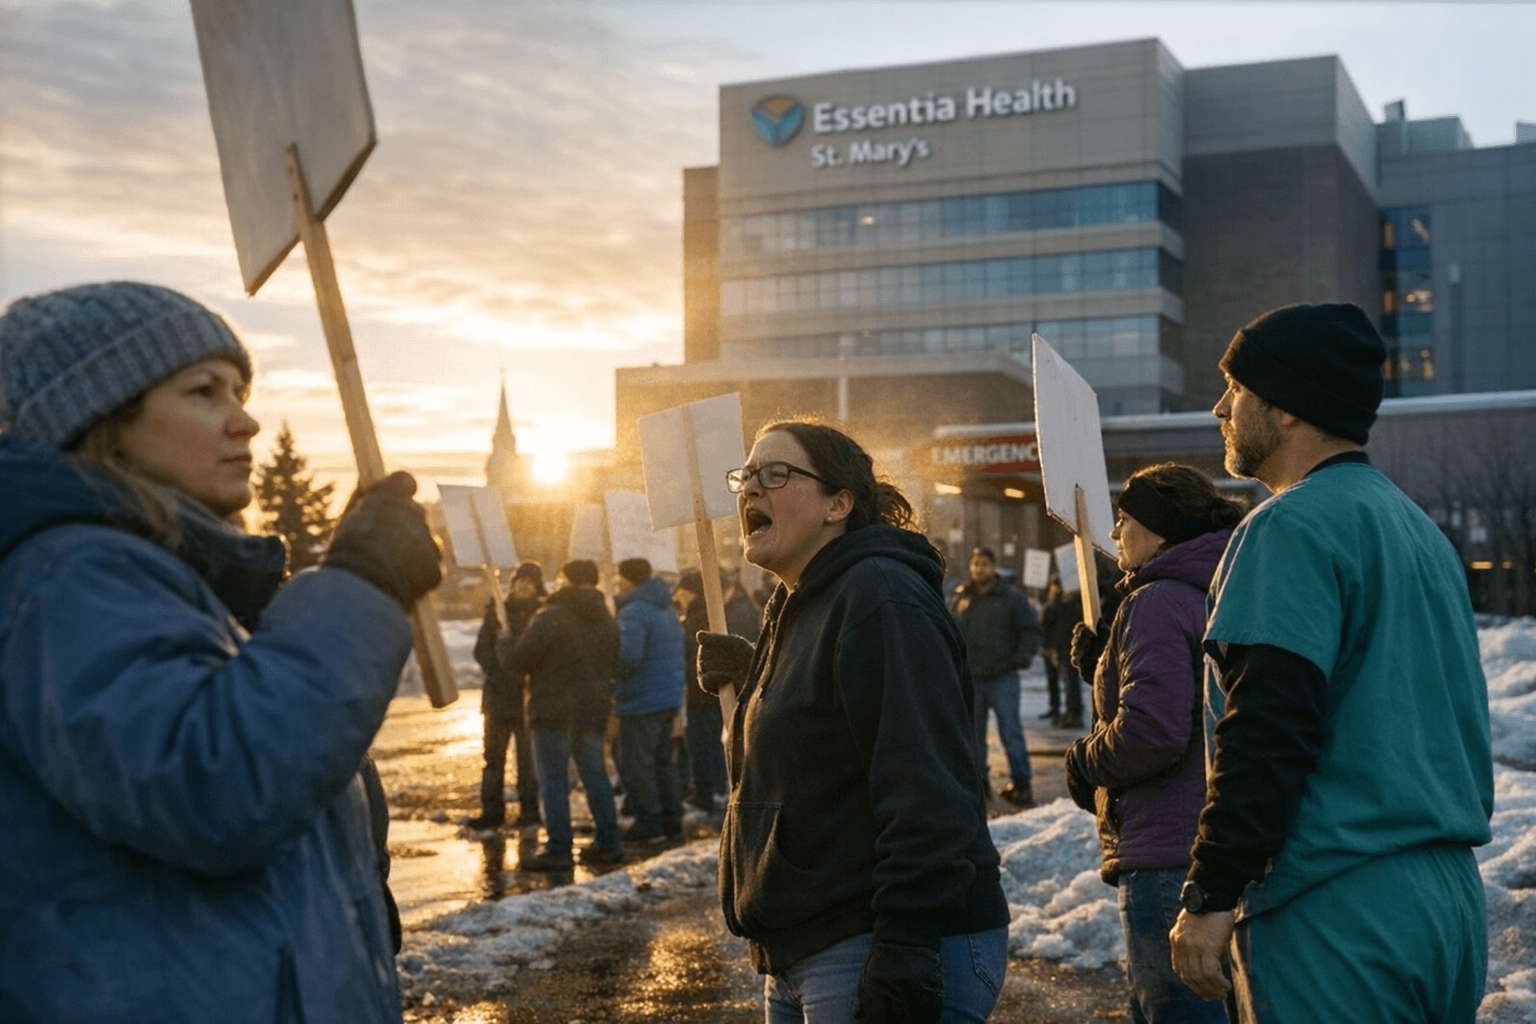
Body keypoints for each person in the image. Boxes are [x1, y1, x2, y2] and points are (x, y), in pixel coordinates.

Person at [0, 281, 442, 1023]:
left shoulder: (159, 578)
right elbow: (217, 783)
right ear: (100, 416)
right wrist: (360, 582)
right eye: (205, 392)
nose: (246, 420)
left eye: (240, 389)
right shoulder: (66, 575)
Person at [1168, 303, 1494, 1021]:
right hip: (1448, 903)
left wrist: (1212, 891)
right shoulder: (1418, 531)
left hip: (1338, 904)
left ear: (1285, 408)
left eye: (1235, 387)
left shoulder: (1288, 526)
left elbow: (1270, 722)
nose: (1219, 407)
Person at [697, 420, 1010, 1024]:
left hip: (877, 942)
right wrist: (759, 672)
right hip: (805, 948)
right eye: (746, 476)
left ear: (838, 503)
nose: (750, 490)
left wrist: (905, 943)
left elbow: (927, 785)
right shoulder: (796, 604)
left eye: (776, 474)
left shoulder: (879, 594)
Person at [1063, 463, 1246, 1024]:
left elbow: (1151, 732)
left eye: (1123, 520)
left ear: (1159, 531)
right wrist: (1105, 665)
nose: (1114, 533)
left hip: (1167, 856)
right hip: (1212, 846)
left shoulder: (1156, 600)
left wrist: (1082, 763)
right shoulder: (1220, 586)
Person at [500, 558, 624, 870]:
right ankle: (609, 842)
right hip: (593, 709)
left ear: (567, 580)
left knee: (552, 781)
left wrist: (503, 643)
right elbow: (615, 663)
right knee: (595, 776)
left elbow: (519, 660)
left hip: (553, 711)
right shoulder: (607, 619)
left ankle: (558, 846)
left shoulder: (551, 616)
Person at [948, 546, 1040, 807]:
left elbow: (1031, 629)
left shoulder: (1011, 598)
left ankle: (1022, 785)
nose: (980, 569)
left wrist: (1021, 657)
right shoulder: (960, 598)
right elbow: (949, 631)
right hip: (972, 678)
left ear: (994, 566)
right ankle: (979, 786)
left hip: (1003, 677)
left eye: (985, 563)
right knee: (973, 736)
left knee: (1011, 732)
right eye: (976, 563)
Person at [612, 557, 687, 843]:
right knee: (662, 762)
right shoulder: (665, 608)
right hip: (667, 697)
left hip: (641, 699)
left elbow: (629, 657)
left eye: (619, 577)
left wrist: (610, 671)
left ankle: (648, 822)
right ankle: (672, 820)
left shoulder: (633, 612)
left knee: (637, 764)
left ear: (628, 579)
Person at [467, 560, 545, 830]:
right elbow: (481, 650)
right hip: (497, 698)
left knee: (528, 762)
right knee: (493, 758)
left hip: (528, 699)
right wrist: (500, 671)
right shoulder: (497, 613)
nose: (524, 587)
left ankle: (530, 812)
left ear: (537, 587)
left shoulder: (542, 615)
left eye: (530, 583)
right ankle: (492, 812)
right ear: (512, 584)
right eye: (519, 582)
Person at [676, 567, 760, 813]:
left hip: (715, 688)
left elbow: (736, 645)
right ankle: (719, 790)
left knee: (711, 743)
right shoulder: (726, 608)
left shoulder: (731, 611)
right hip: (714, 687)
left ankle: (716, 791)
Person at [1037, 577, 1080, 726]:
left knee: (1070, 684)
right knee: (1054, 682)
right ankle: (1057, 709)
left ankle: (1073, 713)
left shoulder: (1070, 604)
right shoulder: (1050, 605)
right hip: (1052, 649)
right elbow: (1043, 627)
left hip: (1065, 650)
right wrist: (1046, 648)